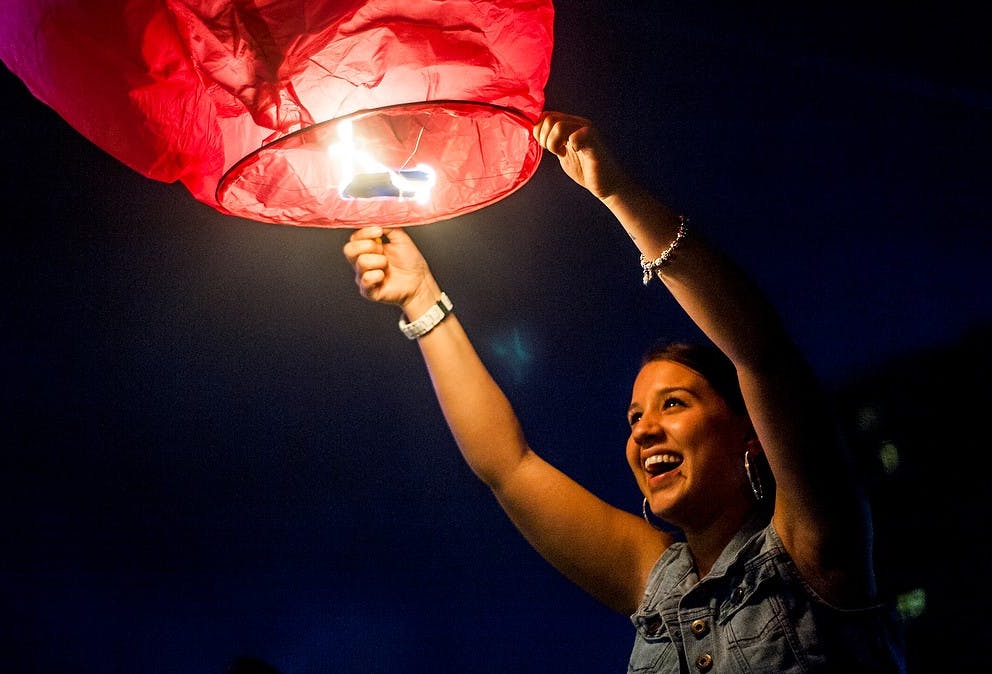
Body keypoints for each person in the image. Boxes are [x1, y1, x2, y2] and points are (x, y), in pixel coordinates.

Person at [343, 112, 905, 672]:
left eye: (674, 403)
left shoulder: (811, 548)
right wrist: (420, 297)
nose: (643, 429)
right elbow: (507, 465)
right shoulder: (653, 576)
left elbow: (763, 353)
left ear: (751, 434)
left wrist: (616, 194)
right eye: (634, 416)